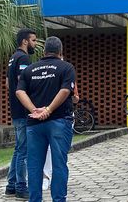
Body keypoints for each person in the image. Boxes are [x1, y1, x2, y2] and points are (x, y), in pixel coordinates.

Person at [16, 36, 76, 202]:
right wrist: (48, 110)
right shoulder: (66, 67)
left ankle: (35, 199)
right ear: (60, 51)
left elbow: (19, 91)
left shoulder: (30, 70)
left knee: (34, 165)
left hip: (34, 124)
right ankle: (58, 199)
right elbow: (65, 91)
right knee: (58, 164)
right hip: (59, 121)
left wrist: (34, 110)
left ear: (44, 51)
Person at [5, 28, 37, 199]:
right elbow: (22, 81)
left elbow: (7, 83)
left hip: (15, 109)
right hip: (23, 109)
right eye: (33, 40)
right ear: (24, 41)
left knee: (18, 149)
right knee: (24, 150)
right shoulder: (23, 58)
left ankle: (10, 186)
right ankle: (20, 187)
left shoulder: (12, 58)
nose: (35, 43)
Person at [42, 56, 79, 191]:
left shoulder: (69, 74)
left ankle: (57, 182)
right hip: (49, 116)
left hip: (65, 116)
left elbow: (75, 98)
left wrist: (73, 97)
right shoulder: (43, 74)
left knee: (61, 151)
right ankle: (46, 176)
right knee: (47, 149)